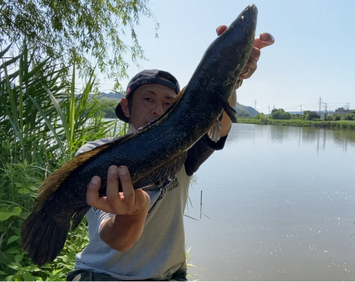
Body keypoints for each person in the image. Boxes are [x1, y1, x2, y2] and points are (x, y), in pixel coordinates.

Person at [66, 25, 274, 281]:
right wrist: (131, 216)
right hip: (102, 275)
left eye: (168, 103)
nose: (158, 109)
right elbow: (116, 239)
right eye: (147, 99)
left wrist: (231, 74)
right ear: (126, 107)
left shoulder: (185, 149)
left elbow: (220, 120)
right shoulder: (96, 154)